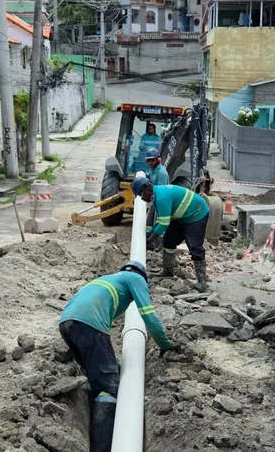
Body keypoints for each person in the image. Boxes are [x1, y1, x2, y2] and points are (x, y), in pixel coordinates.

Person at [58, 260, 176, 450]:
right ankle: (102, 448)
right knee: (110, 386)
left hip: (67, 324)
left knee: (96, 376)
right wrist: (165, 344)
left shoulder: (108, 279)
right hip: (89, 324)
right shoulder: (136, 278)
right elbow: (149, 315)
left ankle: (91, 424)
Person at [132, 176, 209, 291]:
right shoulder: (157, 196)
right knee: (168, 241)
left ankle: (202, 283)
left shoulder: (162, 197)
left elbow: (163, 225)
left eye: (141, 195)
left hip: (196, 214)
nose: (142, 199)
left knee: (195, 247)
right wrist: (149, 234)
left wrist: (149, 240)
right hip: (181, 217)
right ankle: (168, 271)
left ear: (146, 189)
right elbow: (160, 221)